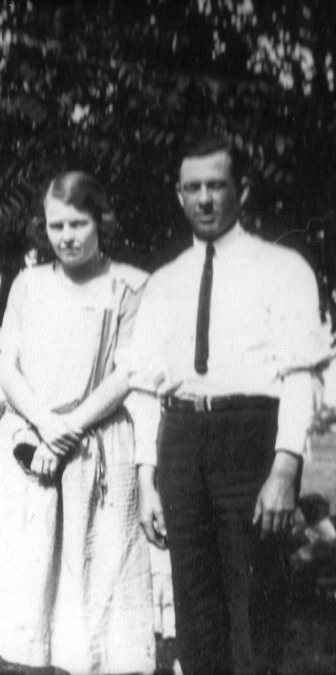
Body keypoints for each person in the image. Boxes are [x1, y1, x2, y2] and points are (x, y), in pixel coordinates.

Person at [125, 133, 330, 674]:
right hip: (182, 444)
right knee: (196, 612)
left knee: (255, 610)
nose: (205, 199)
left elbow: (301, 376)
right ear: (178, 195)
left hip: (251, 439)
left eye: (217, 186)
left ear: (242, 189)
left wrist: (285, 469)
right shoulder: (164, 283)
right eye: (193, 188)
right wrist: (147, 478)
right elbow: (146, 386)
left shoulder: (283, 269)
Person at [0, 172, 156, 674]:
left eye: (78, 223)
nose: (66, 236)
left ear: (101, 222)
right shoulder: (28, 284)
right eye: (55, 225)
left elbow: (127, 372)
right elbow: (7, 366)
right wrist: (47, 424)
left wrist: (70, 429)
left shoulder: (130, 285)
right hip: (30, 439)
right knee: (28, 585)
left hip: (98, 444)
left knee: (92, 581)